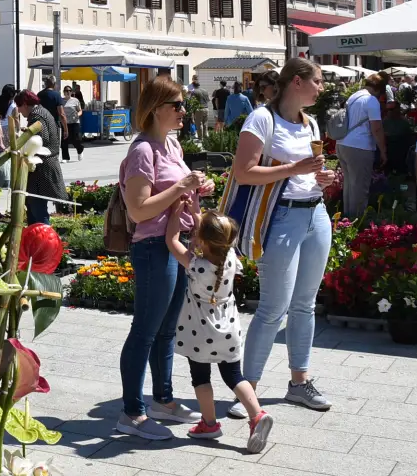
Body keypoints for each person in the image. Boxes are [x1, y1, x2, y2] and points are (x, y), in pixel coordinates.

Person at [229, 58, 336, 418]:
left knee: (305, 303)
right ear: (296, 83)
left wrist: (323, 179)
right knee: (273, 307)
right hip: (281, 216)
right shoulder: (262, 118)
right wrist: (293, 169)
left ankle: (299, 382)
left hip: (315, 212)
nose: (321, 88)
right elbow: (243, 173)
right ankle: (248, 390)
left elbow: (311, 172)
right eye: (317, 81)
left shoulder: (310, 122)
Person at [114, 77, 210, 440]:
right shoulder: (142, 151)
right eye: (178, 105)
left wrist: (196, 188)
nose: (184, 111)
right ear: (156, 109)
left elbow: (176, 192)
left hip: (177, 243)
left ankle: (163, 400)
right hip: (154, 247)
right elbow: (138, 210)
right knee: (145, 331)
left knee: (167, 330)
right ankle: (131, 412)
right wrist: (181, 188)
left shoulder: (171, 145)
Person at [165, 210, 273, 453]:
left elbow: (171, 241)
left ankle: (209, 424)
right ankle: (257, 414)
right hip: (229, 331)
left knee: (201, 377)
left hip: (199, 335)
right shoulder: (231, 260)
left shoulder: (196, 265)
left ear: (201, 240)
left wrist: (175, 214)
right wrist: (197, 215)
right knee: (234, 375)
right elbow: (213, 233)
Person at [336, 73, 387, 220]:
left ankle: (346, 219)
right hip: (360, 147)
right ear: (379, 89)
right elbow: (376, 128)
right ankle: (357, 223)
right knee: (360, 187)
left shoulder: (354, 96)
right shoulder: (371, 100)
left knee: (349, 184)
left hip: (343, 143)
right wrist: (383, 151)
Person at [12, 90, 65, 227]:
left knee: (37, 210)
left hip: (42, 168)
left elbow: (41, 139)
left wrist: (23, 139)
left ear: (24, 104)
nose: (18, 110)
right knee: (37, 209)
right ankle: (39, 240)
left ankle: (44, 242)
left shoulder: (36, 115)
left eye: (19, 106)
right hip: (47, 165)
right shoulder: (43, 111)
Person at [60, 86, 84, 162]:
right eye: (66, 91)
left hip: (74, 122)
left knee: (75, 139)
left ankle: (80, 150)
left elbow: (80, 111)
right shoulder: (61, 101)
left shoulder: (75, 100)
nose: (68, 92)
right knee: (64, 141)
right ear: (64, 92)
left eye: (69, 91)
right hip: (65, 123)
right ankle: (65, 158)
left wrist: (78, 114)